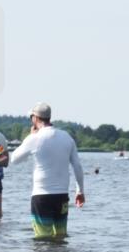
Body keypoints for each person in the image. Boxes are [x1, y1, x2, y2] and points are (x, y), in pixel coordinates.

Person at [9, 102, 85, 240]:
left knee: (42, 240)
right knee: (60, 237)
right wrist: (80, 191)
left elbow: (14, 159)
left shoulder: (34, 138)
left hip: (41, 196)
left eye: (31, 117)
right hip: (62, 196)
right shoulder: (67, 137)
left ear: (36, 118)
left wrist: (29, 137)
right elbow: (78, 167)